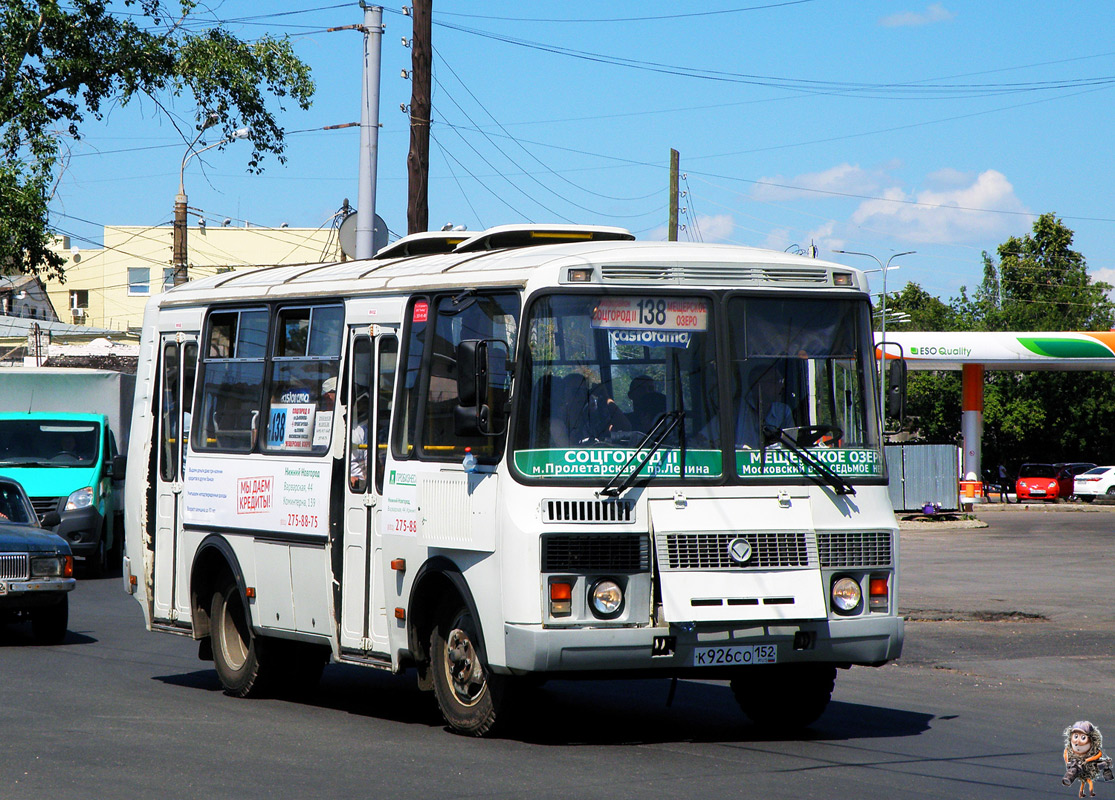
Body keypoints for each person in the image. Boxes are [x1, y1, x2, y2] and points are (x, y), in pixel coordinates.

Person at [736, 362, 795, 449]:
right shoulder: (736, 410)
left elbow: (790, 446)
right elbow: (710, 441)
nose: (781, 386)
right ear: (757, 385)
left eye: (781, 381)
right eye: (775, 381)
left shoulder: (783, 412)